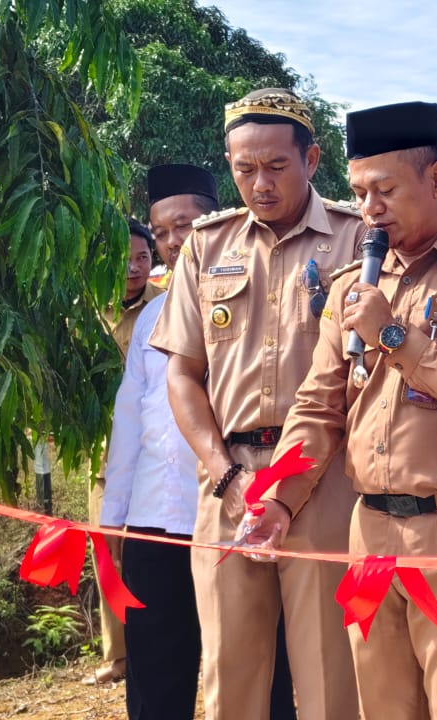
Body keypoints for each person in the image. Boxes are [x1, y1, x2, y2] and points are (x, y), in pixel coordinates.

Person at [243, 100, 437, 720]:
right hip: (369, 533)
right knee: (379, 705)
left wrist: (397, 337)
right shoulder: (354, 284)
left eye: (384, 191)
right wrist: (274, 498)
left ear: (436, 180)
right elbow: (318, 406)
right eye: (358, 192)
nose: (369, 210)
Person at [150, 88, 364, 720]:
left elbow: (364, 377)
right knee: (229, 678)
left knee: (333, 679)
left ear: (312, 159)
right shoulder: (207, 246)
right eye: (244, 170)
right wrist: (226, 474)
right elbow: (183, 375)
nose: (260, 184)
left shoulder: (357, 241)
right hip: (230, 486)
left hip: (327, 485)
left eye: (276, 166)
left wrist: (289, 480)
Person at [102, 214, 204, 719]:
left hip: (222, 518)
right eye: (161, 232)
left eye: (185, 224)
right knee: (153, 678)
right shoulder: (150, 317)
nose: (172, 242)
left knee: (251, 673)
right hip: (149, 524)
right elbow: (128, 418)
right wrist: (111, 518)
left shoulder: (248, 304)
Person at [86, 214, 164, 685]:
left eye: (143, 257)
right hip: (103, 457)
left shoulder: (168, 305)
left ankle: (172, 643)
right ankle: (117, 655)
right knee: (107, 555)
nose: (134, 268)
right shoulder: (87, 312)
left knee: (160, 556)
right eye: (125, 258)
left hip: (157, 454)